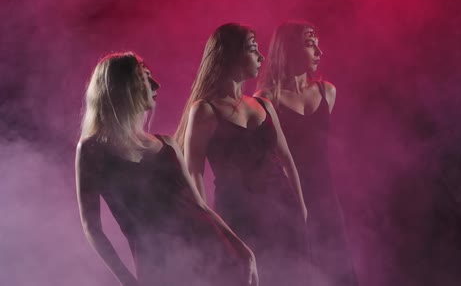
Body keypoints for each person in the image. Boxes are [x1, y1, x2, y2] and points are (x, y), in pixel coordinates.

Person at [75, 52, 257, 286]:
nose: (156, 84)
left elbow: (200, 205)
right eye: (145, 77)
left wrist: (242, 250)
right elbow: (92, 227)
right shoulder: (92, 149)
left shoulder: (168, 144)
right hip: (160, 265)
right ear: (122, 86)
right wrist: (126, 279)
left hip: (214, 252)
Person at [175, 23, 309, 286]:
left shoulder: (264, 105)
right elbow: (194, 173)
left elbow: (287, 159)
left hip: (283, 211)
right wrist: (209, 226)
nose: (261, 56)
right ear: (232, 56)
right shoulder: (205, 110)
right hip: (238, 215)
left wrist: (300, 208)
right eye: (252, 49)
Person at [255, 20, 358, 286]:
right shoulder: (265, 99)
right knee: (299, 269)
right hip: (286, 197)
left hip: (325, 195)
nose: (319, 52)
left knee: (338, 266)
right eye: (311, 44)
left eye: (317, 45)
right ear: (288, 49)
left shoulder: (328, 92)